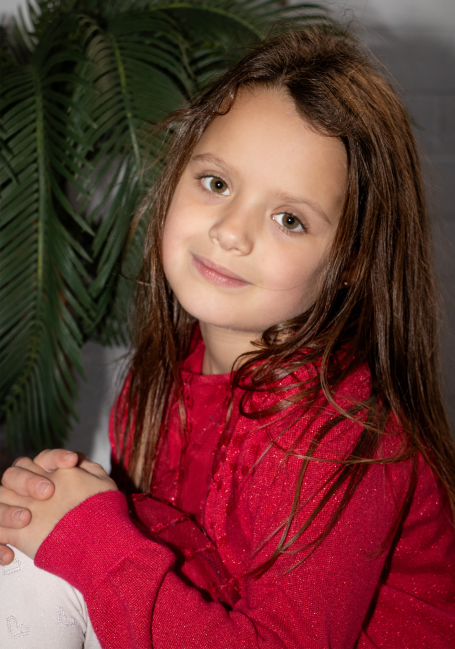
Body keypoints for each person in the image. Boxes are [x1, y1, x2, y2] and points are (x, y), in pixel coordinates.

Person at [0, 26, 454, 649]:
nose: (232, 233)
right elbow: (184, 575)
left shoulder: (342, 439)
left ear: (349, 261)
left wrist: (96, 540)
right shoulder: (154, 385)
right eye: (216, 183)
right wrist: (57, 505)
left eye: (289, 219)